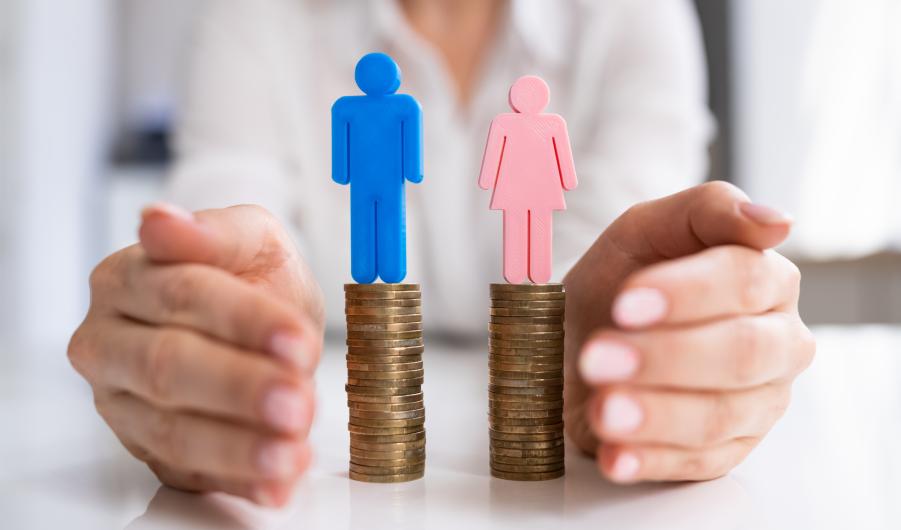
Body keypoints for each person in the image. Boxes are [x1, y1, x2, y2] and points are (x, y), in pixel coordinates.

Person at [67, 0, 815, 508]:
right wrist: (215, 319)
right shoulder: (253, 20)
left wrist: (657, 333)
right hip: (379, 197)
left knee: (493, 248)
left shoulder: (631, 16)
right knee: (380, 246)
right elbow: (227, 215)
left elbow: (594, 224)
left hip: (478, 209)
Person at [332, 52, 423, 284]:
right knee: (373, 219)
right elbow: (412, 142)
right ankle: (371, 270)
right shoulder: (402, 106)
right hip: (379, 178)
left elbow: (340, 143)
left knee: (377, 218)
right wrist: (413, 170)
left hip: (375, 178)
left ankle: (384, 269)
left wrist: (341, 172)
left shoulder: (348, 107)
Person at [478, 74, 578, 283]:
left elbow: (563, 155)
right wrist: (487, 178)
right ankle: (517, 272)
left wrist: (569, 179)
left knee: (538, 227)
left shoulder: (553, 124)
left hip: (538, 188)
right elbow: (494, 153)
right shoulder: (505, 122)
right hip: (517, 187)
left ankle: (538, 272)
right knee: (516, 227)